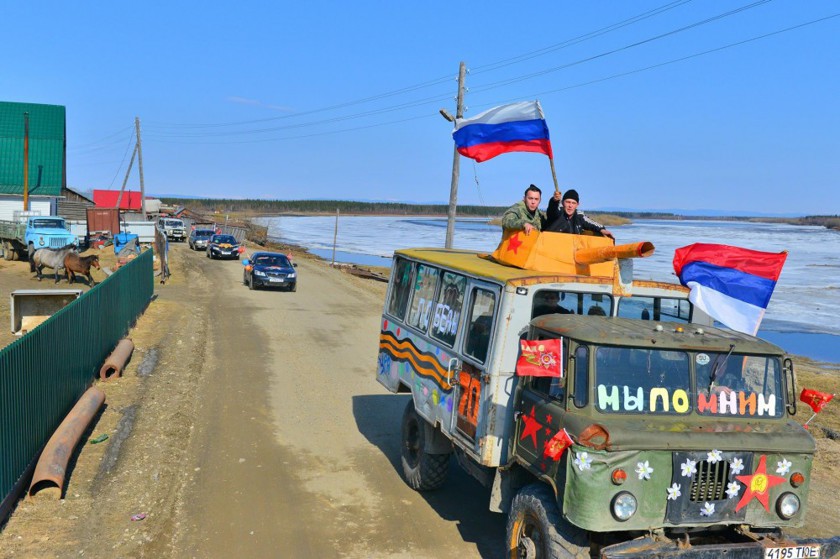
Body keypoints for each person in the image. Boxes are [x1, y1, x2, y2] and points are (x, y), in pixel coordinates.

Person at [544, 189, 615, 240]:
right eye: (568, 202)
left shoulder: (579, 216)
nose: (570, 206)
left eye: (573, 203)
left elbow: (592, 223)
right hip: (551, 246)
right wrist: (554, 201)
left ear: (577, 205)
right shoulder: (558, 212)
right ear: (562, 203)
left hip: (569, 250)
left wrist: (602, 229)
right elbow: (551, 210)